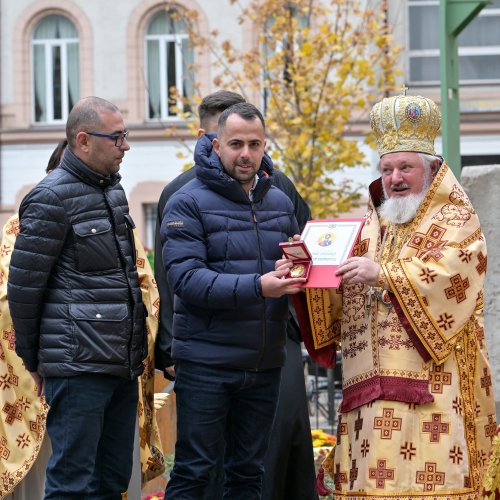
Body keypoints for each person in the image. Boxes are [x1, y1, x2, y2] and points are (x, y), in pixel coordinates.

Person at [286, 93, 497, 498]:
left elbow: (452, 275)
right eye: (387, 169)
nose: (395, 178)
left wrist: (383, 274)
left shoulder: (453, 216)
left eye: (406, 167)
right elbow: (343, 293)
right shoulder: (372, 225)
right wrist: (306, 271)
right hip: (370, 391)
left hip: (436, 389)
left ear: (431, 169)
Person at [154, 90, 317, 499]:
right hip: (207, 364)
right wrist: (260, 285)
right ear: (215, 144)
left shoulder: (279, 201)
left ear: (264, 145)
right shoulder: (185, 201)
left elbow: (299, 264)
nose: (246, 154)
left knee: (248, 475)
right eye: (236, 144)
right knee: (194, 472)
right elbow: (187, 281)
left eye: (255, 144)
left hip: (263, 365)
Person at [7, 96, 148, 499]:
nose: (126, 145)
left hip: (120, 366)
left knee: (112, 480)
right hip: (77, 367)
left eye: (127, 135)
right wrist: (35, 361)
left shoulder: (114, 193)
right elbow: (24, 288)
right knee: (72, 483)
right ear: (83, 140)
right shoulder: (50, 198)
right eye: (118, 137)